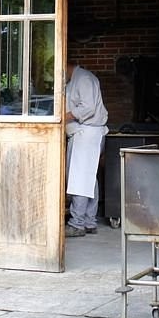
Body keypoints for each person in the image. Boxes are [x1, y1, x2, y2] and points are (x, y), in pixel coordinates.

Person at [65, 61, 108, 237]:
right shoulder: (77, 79)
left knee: (79, 177)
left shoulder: (83, 79)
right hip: (87, 133)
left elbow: (88, 108)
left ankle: (77, 224)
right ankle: (89, 221)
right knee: (89, 178)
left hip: (87, 133)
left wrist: (64, 116)